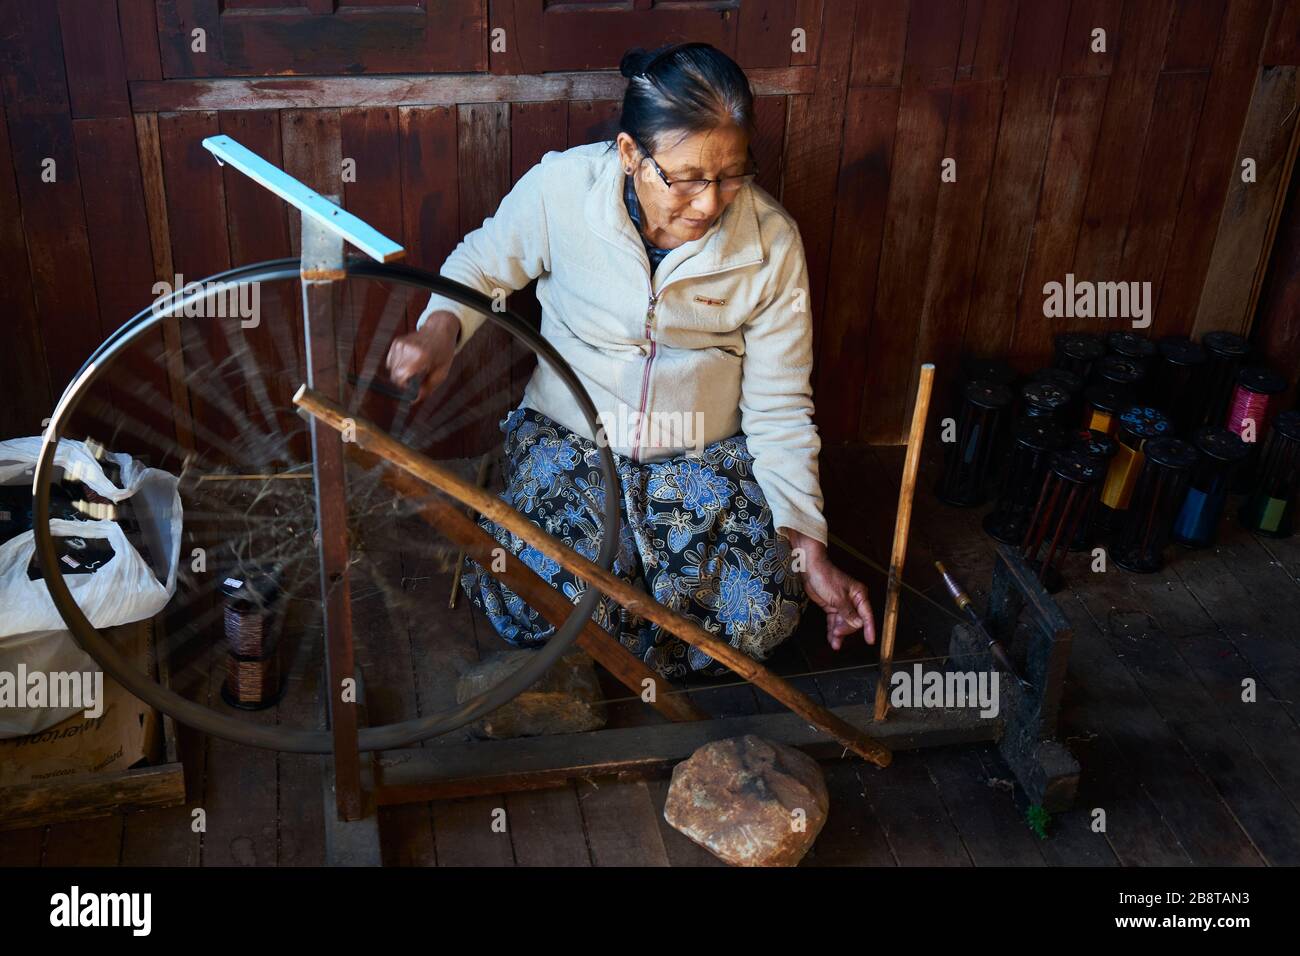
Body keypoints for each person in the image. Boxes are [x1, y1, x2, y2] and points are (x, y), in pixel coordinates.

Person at [386, 41, 875, 681]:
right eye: (687, 178)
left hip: (700, 460)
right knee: (543, 605)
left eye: (730, 175)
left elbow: (781, 406)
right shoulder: (563, 190)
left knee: (762, 616)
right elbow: (482, 266)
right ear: (629, 155)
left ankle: (632, 612)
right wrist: (440, 330)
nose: (709, 203)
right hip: (574, 440)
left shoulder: (770, 243)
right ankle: (609, 587)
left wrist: (806, 542)